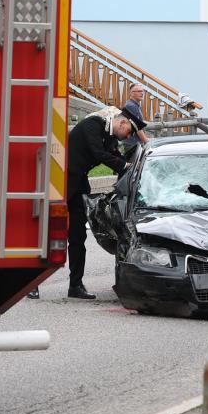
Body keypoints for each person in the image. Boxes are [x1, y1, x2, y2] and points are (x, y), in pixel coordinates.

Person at [64, 106, 137, 299]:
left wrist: (132, 167)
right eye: (129, 131)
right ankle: (32, 284)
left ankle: (75, 285)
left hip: (78, 185)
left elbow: (115, 155)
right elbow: (98, 153)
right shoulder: (92, 125)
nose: (128, 137)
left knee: (78, 237)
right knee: (47, 235)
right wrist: (124, 165)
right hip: (60, 183)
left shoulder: (110, 136)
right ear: (122, 122)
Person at [122, 83, 150, 153]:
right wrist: (147, 142)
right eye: (139, 91)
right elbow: (137, 128)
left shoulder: (134, 105)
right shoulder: (131, 106)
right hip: (132, 144)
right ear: (131, 93)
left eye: (142, 91)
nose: (142, 93)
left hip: (133, 143)